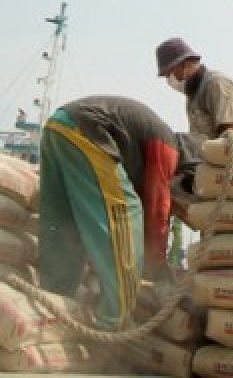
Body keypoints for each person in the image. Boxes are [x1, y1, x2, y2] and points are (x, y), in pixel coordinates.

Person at [38, 95, 190, 331]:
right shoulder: (168, 145)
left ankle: (54, 303)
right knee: (125, 215)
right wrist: (158, 264)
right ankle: (114, 322)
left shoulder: (140, 148)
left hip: (57, 127)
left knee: (63, 224)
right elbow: (158, 209)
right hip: (88, 131)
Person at [155, 37, 233, 142]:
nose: (169, 79)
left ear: (184, 65)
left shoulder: (216, 84)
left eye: (169, 73)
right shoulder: (193, 93)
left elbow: (231, 134)